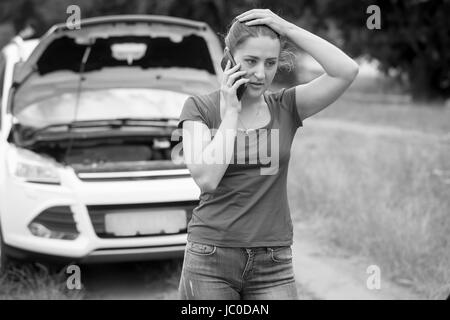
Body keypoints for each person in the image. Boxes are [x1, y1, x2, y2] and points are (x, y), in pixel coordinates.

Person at [176, 9, 359, 300]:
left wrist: (285, 27)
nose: (261, 74)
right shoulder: (199, 108)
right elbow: (207, 179)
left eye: (270, 63)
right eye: (251, 61)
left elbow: (346, 71)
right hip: (209, 258)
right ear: (229, 56)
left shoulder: (286, 107)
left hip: (273, 261)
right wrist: (231, 114)